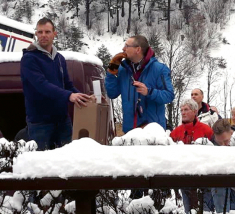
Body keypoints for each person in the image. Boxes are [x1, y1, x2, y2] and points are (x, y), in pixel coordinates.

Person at [20, 18, 92, 151]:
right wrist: (69, 96)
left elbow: (67, 85)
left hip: (63, 121)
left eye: (47, 31)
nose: (43, 35)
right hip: (39, 123)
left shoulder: (60, 59)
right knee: (40, 166)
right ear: (36, 34)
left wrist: (88, 99)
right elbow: (41, 85)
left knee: (67, 162)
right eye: (40, 32)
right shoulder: (29, 58)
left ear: (55, 34)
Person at [106, 35, 174, 133]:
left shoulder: (159, 69)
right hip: (130, 131)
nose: (123, 49)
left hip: (153, 131)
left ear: (138, 49)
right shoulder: (123, 69)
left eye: (127, 46)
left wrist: (149, 92)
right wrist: (111, 71)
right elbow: (112, 93)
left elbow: (169, 95)